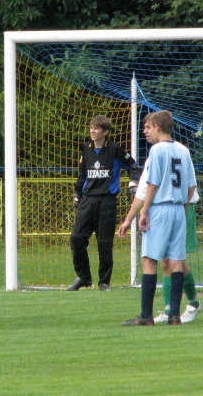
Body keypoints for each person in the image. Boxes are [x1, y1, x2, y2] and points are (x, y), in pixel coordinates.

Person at [120, 110, 196, 326]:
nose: (145, 131)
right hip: (178, 210)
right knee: (175, 261)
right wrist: (182, 209)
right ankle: (174, 316)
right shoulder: (183, 150)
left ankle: (146, 316)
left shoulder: (156, 150)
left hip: (160, 208)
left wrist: (144, 212)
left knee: (149, 259)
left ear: (158, 128)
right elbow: (191, 187)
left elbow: (151, 184)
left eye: (148, 127)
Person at [67, 115, 140, 291]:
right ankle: (83, 277)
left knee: (104, 242)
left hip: (107, 201)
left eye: (97, 128)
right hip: (88, 200)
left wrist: (133, 183)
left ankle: (104, 281)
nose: (92, 130)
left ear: (105, 132)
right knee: (77, 238)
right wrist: (77, 193)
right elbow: (83, 175)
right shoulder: (86, 149)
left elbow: (133, 166)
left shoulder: (115, 149)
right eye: (91, 127)